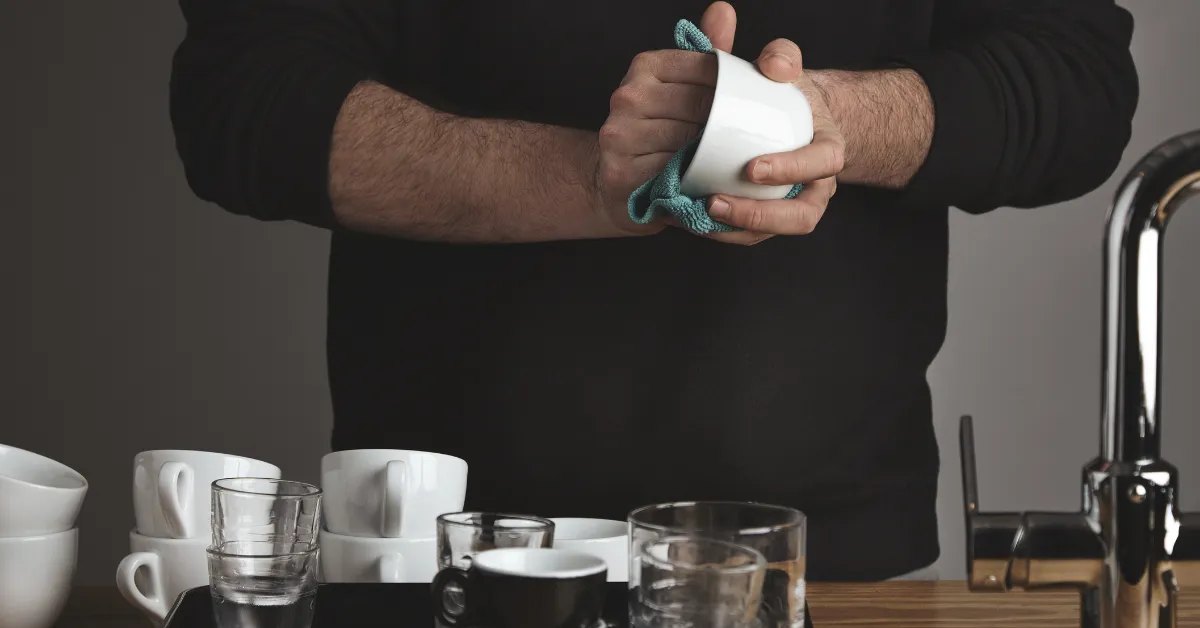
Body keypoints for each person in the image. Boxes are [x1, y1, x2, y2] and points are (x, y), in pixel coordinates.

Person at [168, 0, 1138, 581]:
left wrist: (817, 121)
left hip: (821, 562)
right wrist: (598, 177)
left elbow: (1077, 83)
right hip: (435, 551)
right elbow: (243, 101)